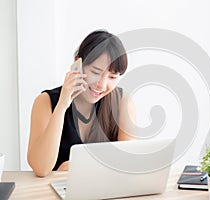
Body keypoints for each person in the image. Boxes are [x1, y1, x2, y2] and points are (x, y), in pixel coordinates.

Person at [27, 30, 135, 177]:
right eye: (96, 72)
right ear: (78, 63)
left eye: (112, 77)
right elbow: (41, 168)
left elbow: (129, 161)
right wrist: (62, 106)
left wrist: (77, 165)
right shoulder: (45, 102)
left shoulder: (123, 102)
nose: (102, 85)